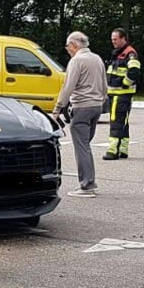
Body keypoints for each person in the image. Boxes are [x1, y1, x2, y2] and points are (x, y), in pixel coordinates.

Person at [52, 31, 107, 197]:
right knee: (85, 145)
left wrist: (57, 109)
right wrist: (100, 100)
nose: (67, 50)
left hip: (81, 107)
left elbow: (68, 87)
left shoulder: (76, 61)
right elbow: (105, 85)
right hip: (96, 106)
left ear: (74, 45)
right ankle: (88, 182)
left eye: (68, 47)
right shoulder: (97, 58)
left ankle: (87, 185)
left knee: (81, 147)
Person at [103, 27, 141, 160]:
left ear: (124, 39)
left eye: (116, 39)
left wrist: (125, 83)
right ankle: (123, 149)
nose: (113, 42)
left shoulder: (129, 53)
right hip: (116, 93)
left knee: (116, 121)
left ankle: (112, 150)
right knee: (123, 122)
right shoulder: (118, 53)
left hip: (121, 93)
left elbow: (134, 71)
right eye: (112, 39)